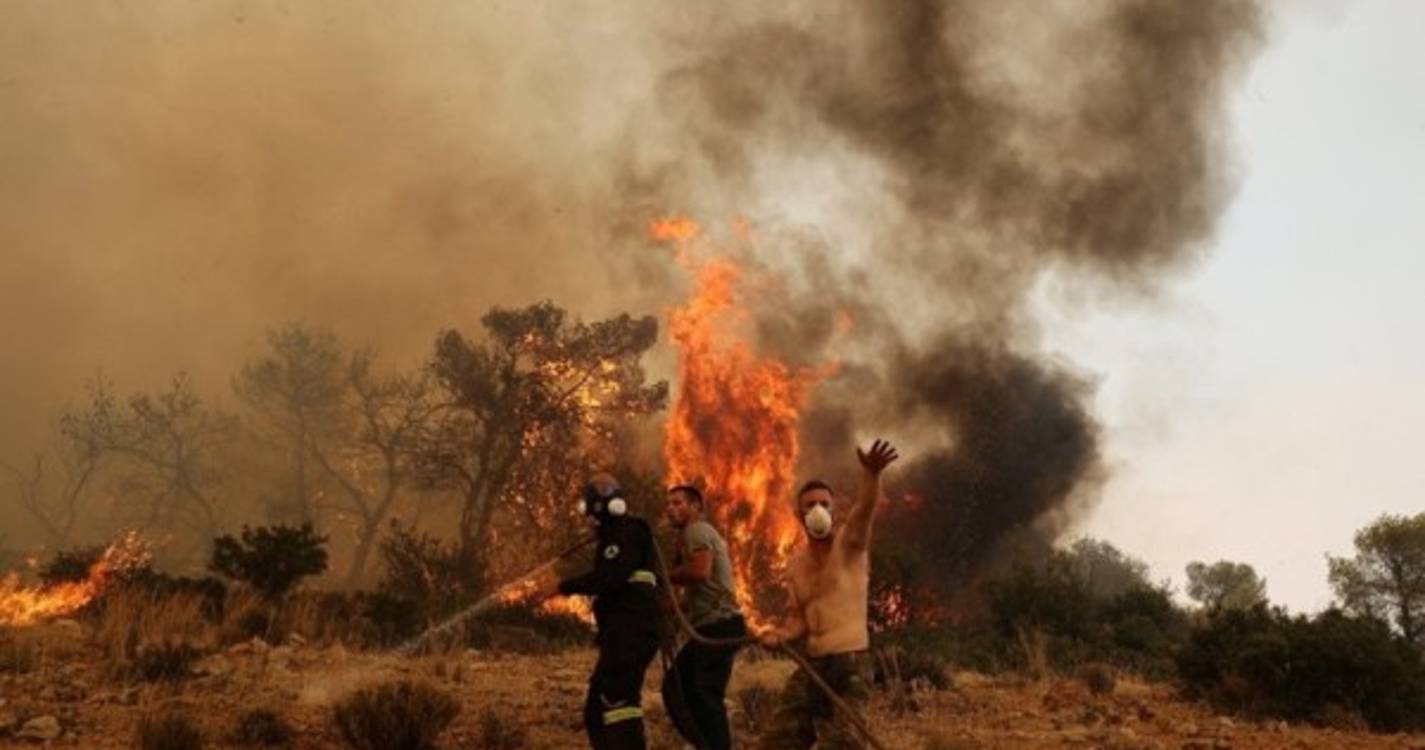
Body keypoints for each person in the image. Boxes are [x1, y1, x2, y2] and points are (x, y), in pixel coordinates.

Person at [754, 439, 899, 750]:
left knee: (843, 743)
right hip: (813, 665)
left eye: (824, 503)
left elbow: (864, 511)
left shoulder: (850, 546)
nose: (817, 510)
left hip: (851, 665)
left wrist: (872, 475)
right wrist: (778, 634)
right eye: (810, 505)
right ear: (799, 514)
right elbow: (799, 619)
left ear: (834, 509)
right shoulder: (795, 566)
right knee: (775, 741)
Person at [540, 473, 661, 750]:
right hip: (621, 632)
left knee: (617, 700)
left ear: (607, 508)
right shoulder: (618, 536)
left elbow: (609, 578)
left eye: (593, 514)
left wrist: (562, 586)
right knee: (596, 711)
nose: (590, 522)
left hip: (631, 631)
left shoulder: (626, 533)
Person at [660, 484, 747, 750]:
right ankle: (705, 744)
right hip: (715, 625)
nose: (671, 509)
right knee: (676, 688)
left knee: (703, 693)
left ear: (696, 507)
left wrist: (661, 575)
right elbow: (698, 593)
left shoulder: (696, 530)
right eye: (669, 504)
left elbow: (700, 572)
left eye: (678, 503)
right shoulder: (695, 534)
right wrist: (668, 608)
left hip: (720, 626)